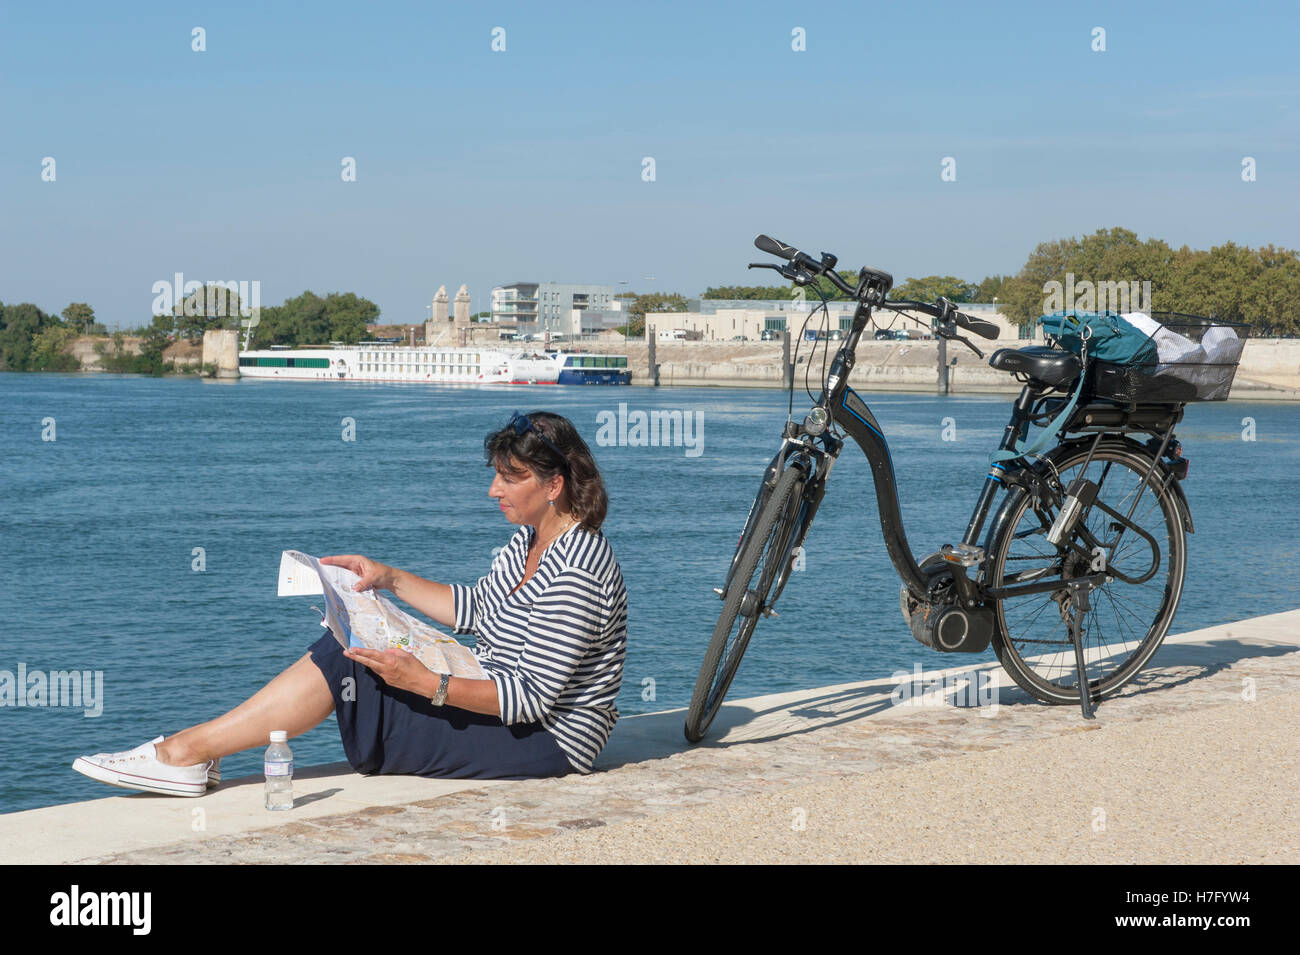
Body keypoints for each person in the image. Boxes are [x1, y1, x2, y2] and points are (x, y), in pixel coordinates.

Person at [72, 411, 627, 796]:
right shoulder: (531, 541)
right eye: (497, 478)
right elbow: (476, 608)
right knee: (350, 644)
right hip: (506, 706)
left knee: (349, 664)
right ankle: (195, 751)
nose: (494, 492)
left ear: (553, 485)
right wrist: (384, 578)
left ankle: (184, 754)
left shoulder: (575, 568)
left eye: (511, 479)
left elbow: (531, 699)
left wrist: (426, 683)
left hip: (546, 742)